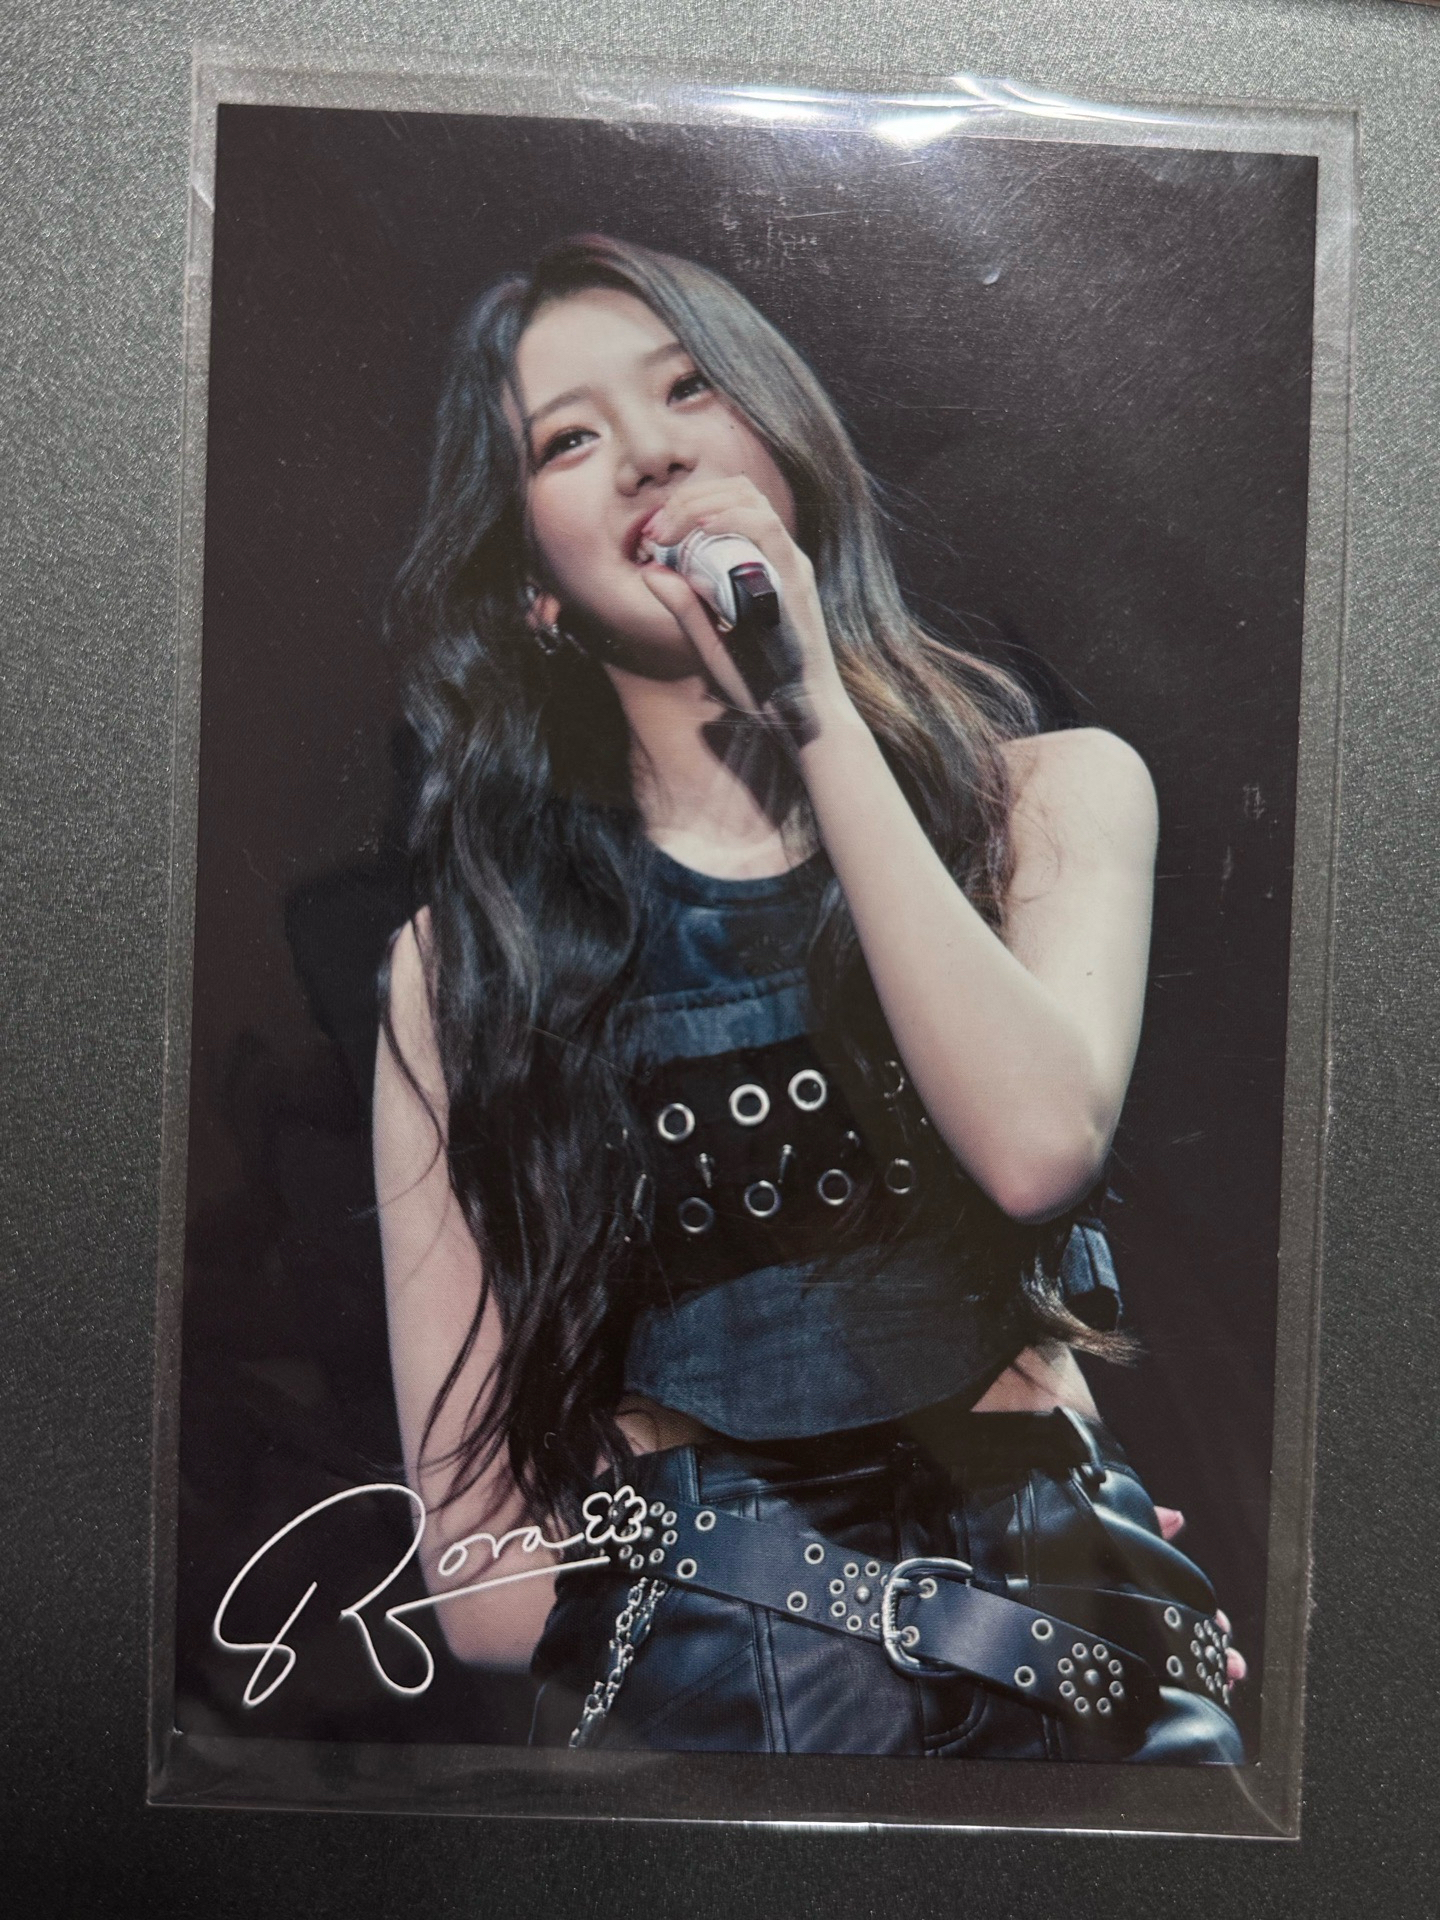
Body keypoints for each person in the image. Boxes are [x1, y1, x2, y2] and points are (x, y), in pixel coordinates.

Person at [374, 234, 1245, 1760]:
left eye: (688, 389)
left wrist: (811, 702)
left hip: (1077, 1646)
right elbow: (484, 1591)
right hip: (733, 1691)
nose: (650, 452)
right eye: (568, 439)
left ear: (787, 446)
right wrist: (757, 1596)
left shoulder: (1051, 801)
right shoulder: (463, 965)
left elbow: (1038, 1144)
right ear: (532, 590)